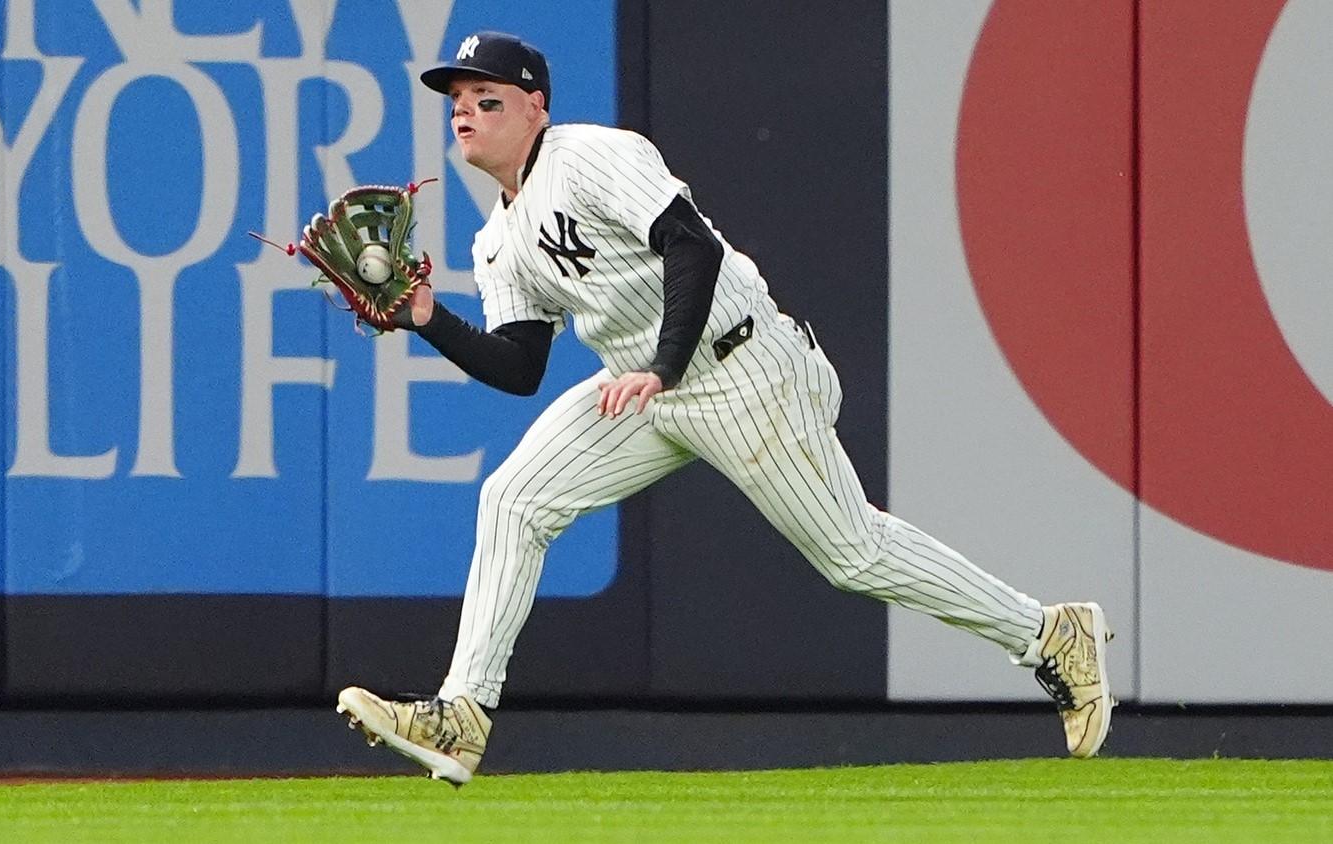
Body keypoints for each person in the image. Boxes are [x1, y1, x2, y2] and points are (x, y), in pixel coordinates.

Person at [335, 31, 1114, 785]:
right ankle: (462, 714)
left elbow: (691, 245)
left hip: (742, 367)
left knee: (853, 554)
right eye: (457, 100)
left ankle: (1049, 634)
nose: (465, 111)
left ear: (536, 106)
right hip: (642, 386)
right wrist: (426, 319)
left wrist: (664, 369)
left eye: (486, 97)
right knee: (514, 499)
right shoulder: (497, 239)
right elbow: (520, 366)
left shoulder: (592, 155)